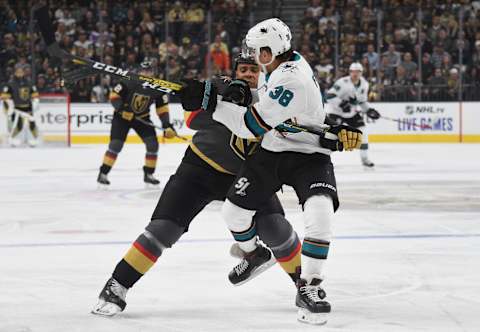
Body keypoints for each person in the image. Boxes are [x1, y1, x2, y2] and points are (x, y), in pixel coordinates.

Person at [180, 18, 362, 325]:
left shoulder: (291, 79)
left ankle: (311, 287)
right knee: (233, 213)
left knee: (320, 213)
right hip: (276, 148)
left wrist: (212, 105)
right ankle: (254, 254)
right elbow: (280, 112)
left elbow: (248, 126)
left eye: (257, 50)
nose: (253, 55)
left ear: (271, 50)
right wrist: (219, 94)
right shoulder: (284, 63)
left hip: (308, 155)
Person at [91, 55, 304, 316]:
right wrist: (218, 98)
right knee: (163, 229)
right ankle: (117, 285)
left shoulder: (277, 98)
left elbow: (293, 135)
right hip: (199, 169)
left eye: (253, 70)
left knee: (276, 228)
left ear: (263, 74)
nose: (248, 74)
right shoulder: (219, 87)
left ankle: (304, 285)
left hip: (247, 176)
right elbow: (193, 121)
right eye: (243, 69)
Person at [96, 61, 176, 186]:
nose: (147, 73)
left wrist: (167, 124)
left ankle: (149, 174)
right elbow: (114, 96)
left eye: (149, 71)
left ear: (154, 73)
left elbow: (162, 108)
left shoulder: (158, 87)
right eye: (144, 71)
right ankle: (103, 173)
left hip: (142, 118)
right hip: (121, 118)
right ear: (139, 71)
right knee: (116, 145)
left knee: (153, 145)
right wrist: (122, 110)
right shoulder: (129, 80)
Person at [325, 62, 380, 167]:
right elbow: (329, 96)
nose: (355, 74)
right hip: (336, 112)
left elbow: (362, 101)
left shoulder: (365, 84)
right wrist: (341, 104)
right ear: (350, 72)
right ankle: (325, 160)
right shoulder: (342, 82)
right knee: (332, 136)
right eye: (353, 71)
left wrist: (369, 110)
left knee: (363, 132)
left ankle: (365, 159)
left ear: (361, 73)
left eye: (358, 71)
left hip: (351, 113)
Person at [1, 66, 40, 147]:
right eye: (18, 72)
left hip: (28, 107)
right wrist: (9, 105)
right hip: (16, 108)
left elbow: (35, 94)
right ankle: (12, 139)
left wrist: (36, 102)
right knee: (19, 125)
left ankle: (35, 139)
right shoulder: (10, 84)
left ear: (23, 73)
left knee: (32, 123)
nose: (19, 74)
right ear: (15, 73)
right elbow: (4, 97)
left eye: (21, 72)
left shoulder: (29, 82)